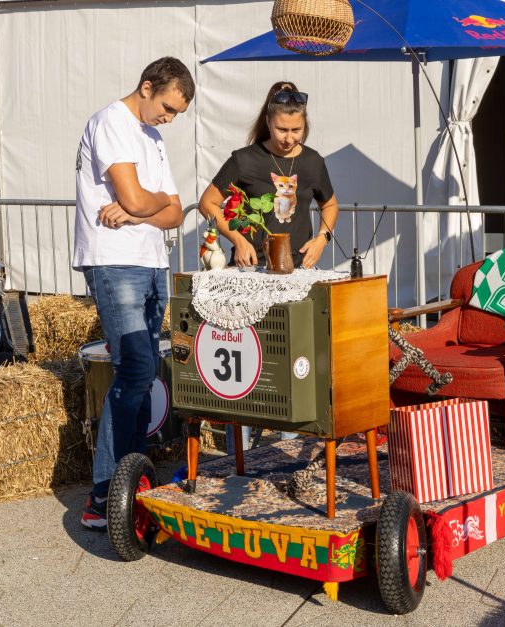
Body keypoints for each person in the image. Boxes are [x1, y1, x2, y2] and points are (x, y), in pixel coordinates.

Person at [72, 57, 194, 530]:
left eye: (177, 113)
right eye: (167, 107)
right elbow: (143, 199)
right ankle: (103, 493)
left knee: (144, 372)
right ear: (147, 87)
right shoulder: (111, 123)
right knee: (136, 367)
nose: (170, 118)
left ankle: (132, 478)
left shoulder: (153, 137)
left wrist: (146, 208)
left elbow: (174, 213)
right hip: (114, 259)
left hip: (149, 260)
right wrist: (151, 204)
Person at [198, 81, 338, 269]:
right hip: (251, 267)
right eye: (282, 130)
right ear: (268, 122)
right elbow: (207, 203)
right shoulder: (244, 160)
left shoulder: (313, 161)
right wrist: (238, 240)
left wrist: (322, 238)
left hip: (298, 268)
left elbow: (329, 204)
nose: (289, 139)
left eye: (296, 130)